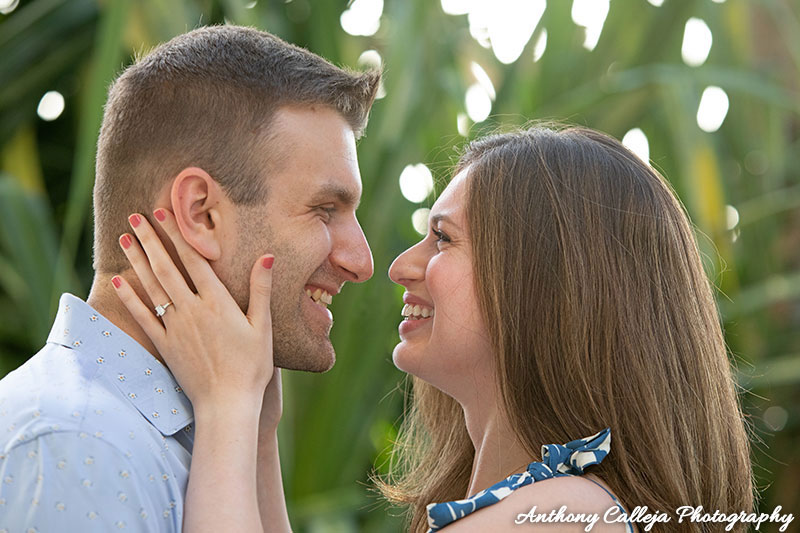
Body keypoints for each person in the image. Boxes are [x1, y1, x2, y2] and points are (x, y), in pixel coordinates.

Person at [111, 125, 754, 532]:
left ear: (540, 279)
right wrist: (255, 430)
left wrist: (224, 405)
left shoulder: (559, 517)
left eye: (441, 238)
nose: (398, 266)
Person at [0, 25, 380, 531]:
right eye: (324, 209)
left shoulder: (177, 435)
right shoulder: (78, 444)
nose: (362, 261)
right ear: (200, 213)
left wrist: (251, 430)